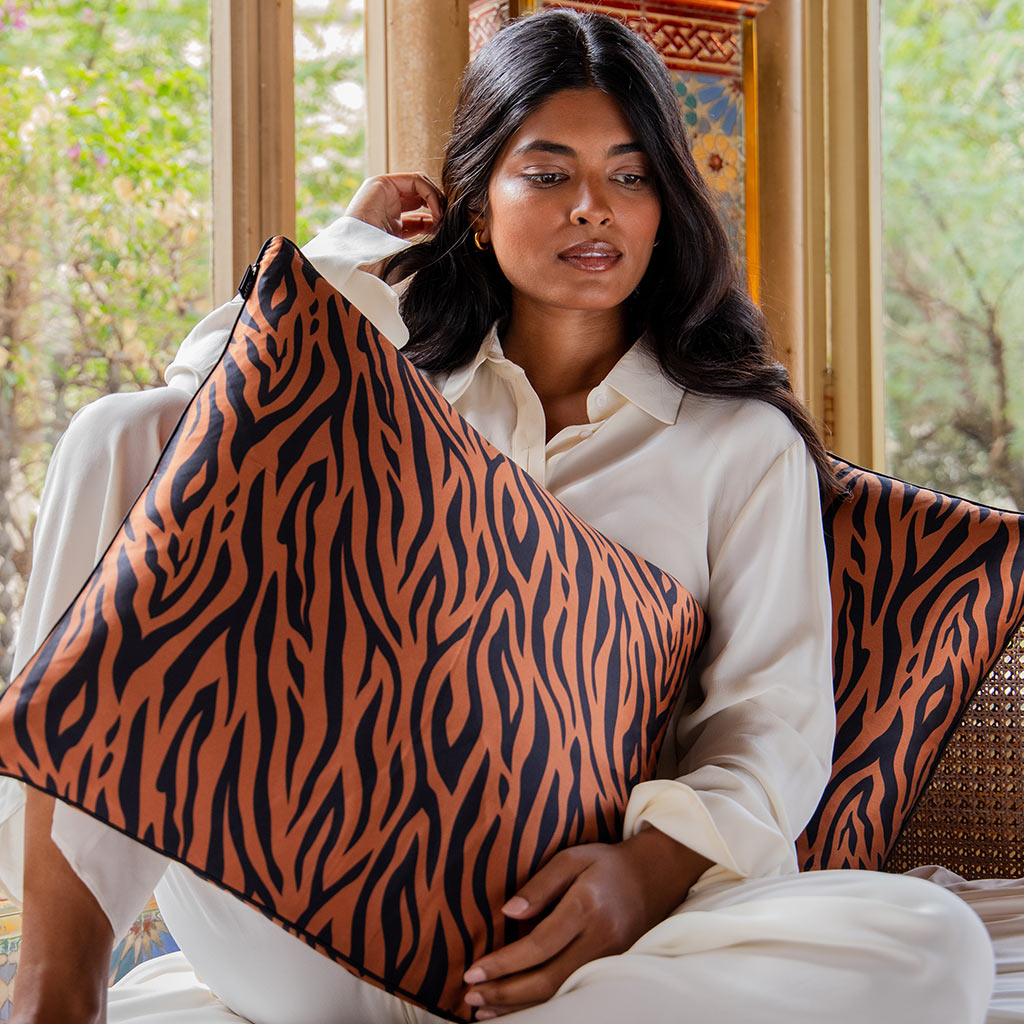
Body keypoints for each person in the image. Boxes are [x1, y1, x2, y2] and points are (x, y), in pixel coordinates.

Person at [0, 9, 995, 1024]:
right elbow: (200, 429)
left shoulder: (736, 445)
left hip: (564, 946)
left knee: (931, 944)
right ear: (477, 206)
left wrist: (635, 878)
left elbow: (769, 727)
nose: (591, 209)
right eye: (548, 173)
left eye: (631, 174)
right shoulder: (398, 385)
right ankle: (58, 983)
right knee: (127, 430)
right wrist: (350, 253)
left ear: (664, 207)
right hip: (311, 894)